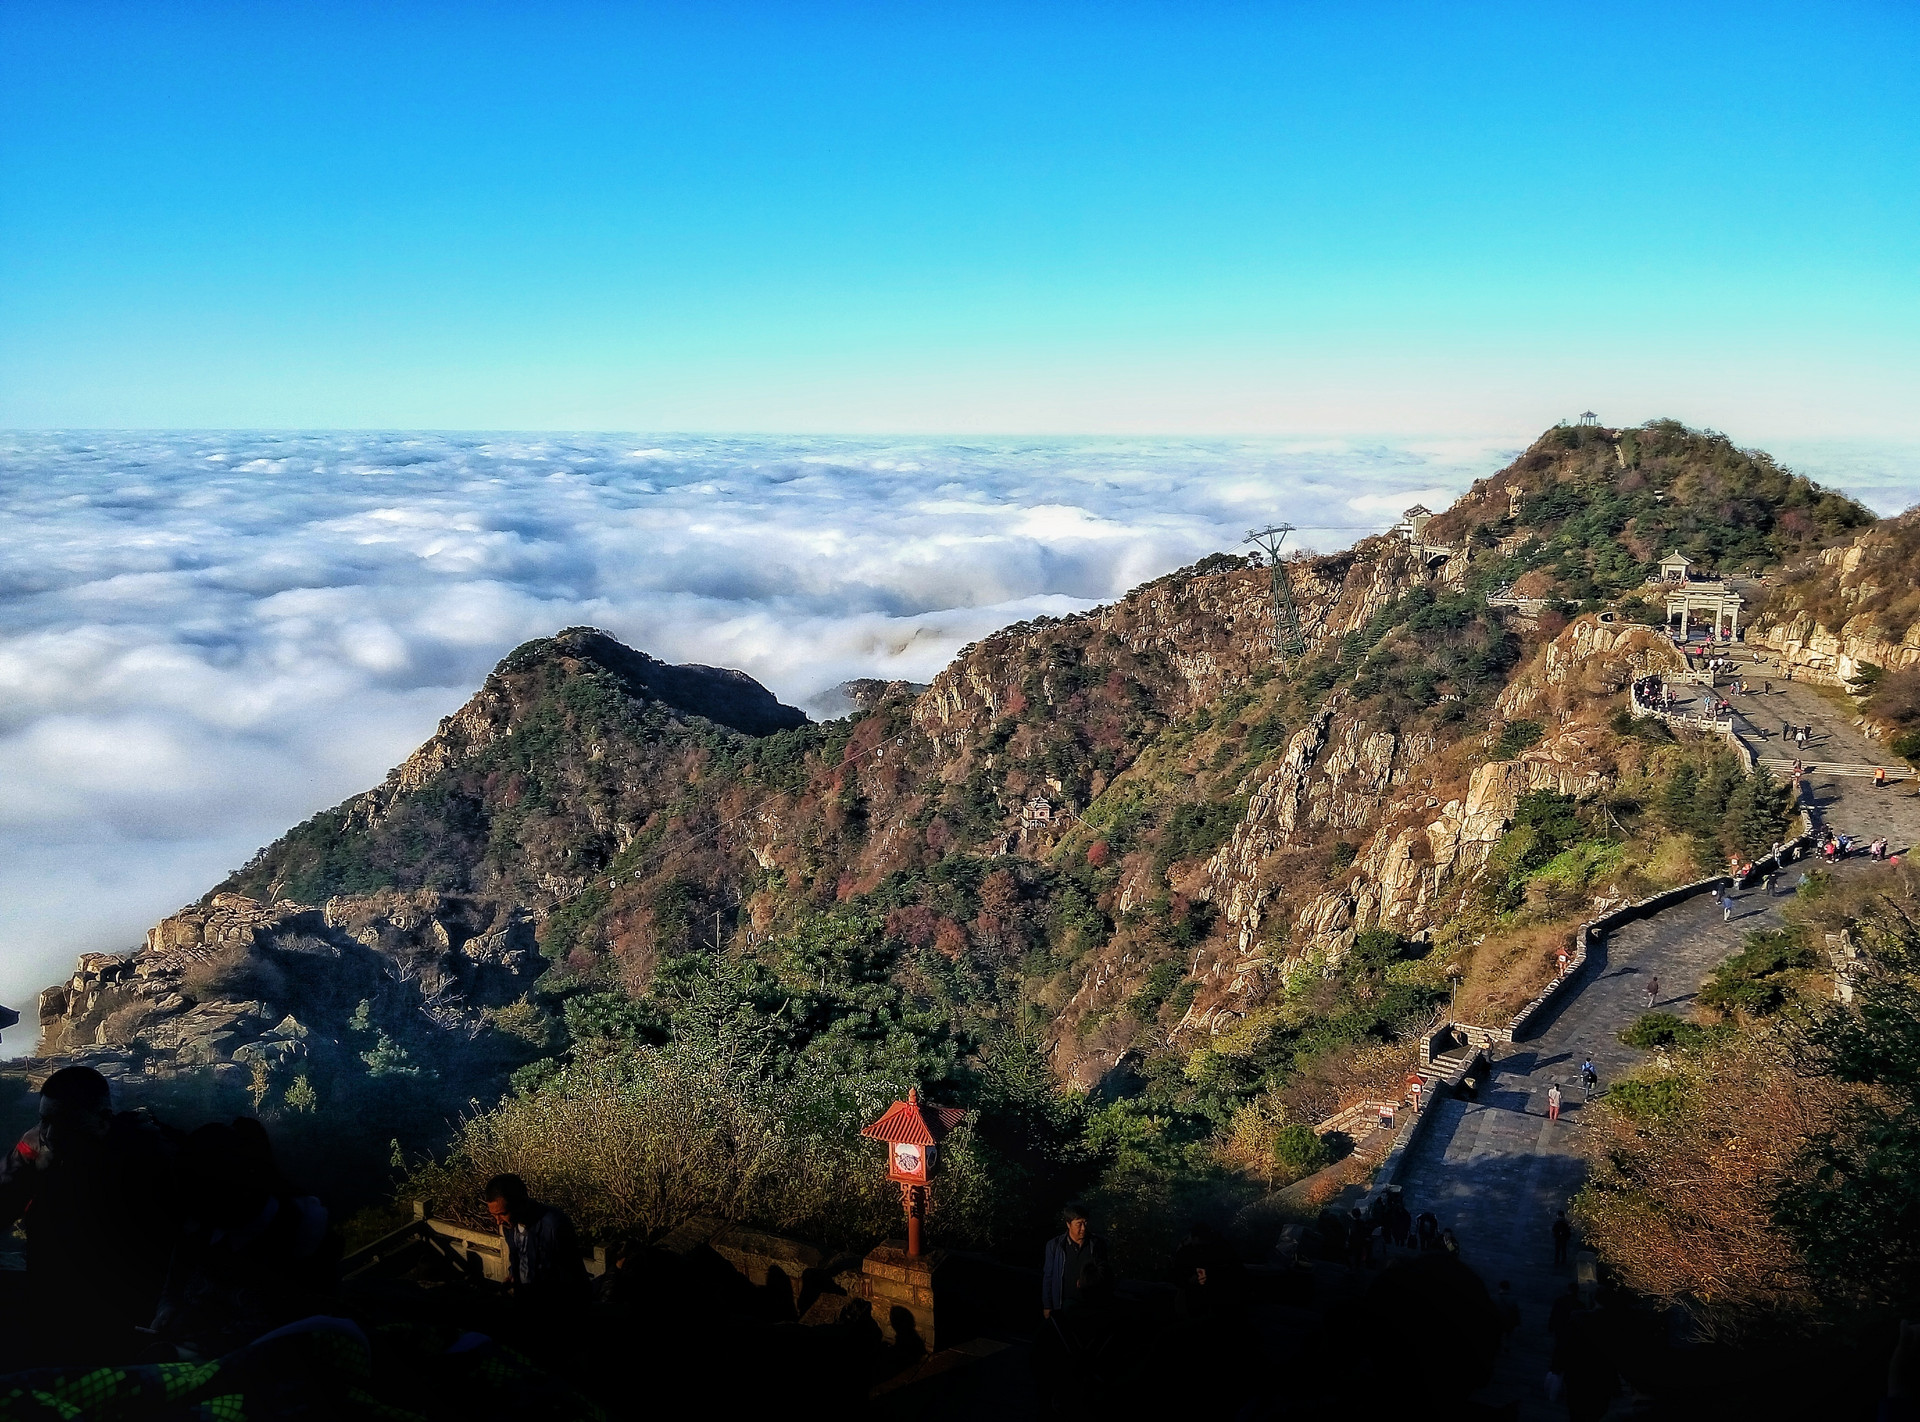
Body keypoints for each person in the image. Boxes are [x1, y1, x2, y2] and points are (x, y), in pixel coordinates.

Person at [0, 1065, 177, 1362]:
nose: (51, 1134)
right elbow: (4, 1202)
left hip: (126, 1307)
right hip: (48, 1298)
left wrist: (170, 1300)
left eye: (67, 1123)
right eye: (44, 1120)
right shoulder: (34, 1147)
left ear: (104, 1120)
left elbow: (180, 1236)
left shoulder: (144, 1153)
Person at [152, 1118, 336, 1356]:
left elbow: (307, 1327)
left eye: (202, 1204)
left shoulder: (301, 1229)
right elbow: (173, 1289)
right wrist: (166, 1313)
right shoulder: (199, 1226)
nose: (195, 1217)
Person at [484, 1173, 591, 1306]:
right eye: (494, 1215)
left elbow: (572, 1271)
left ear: (519, 1203)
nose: (498, 1221)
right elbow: (518, 1256)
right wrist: (514, 1276)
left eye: (502, 1214)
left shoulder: (553, 1225)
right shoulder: (509, 1225)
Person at [1042, 1202, 1108, 1317]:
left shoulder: (1097, 1244)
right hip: (1062, 1305)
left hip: (1089, 1306)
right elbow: (1049, 1276)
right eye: (1078, 1224)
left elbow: (1104, 1274)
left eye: (1085, 1223)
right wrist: (1048, 1305)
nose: (1083, 1228)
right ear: (1068, 1224)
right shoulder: (1055, 1246)